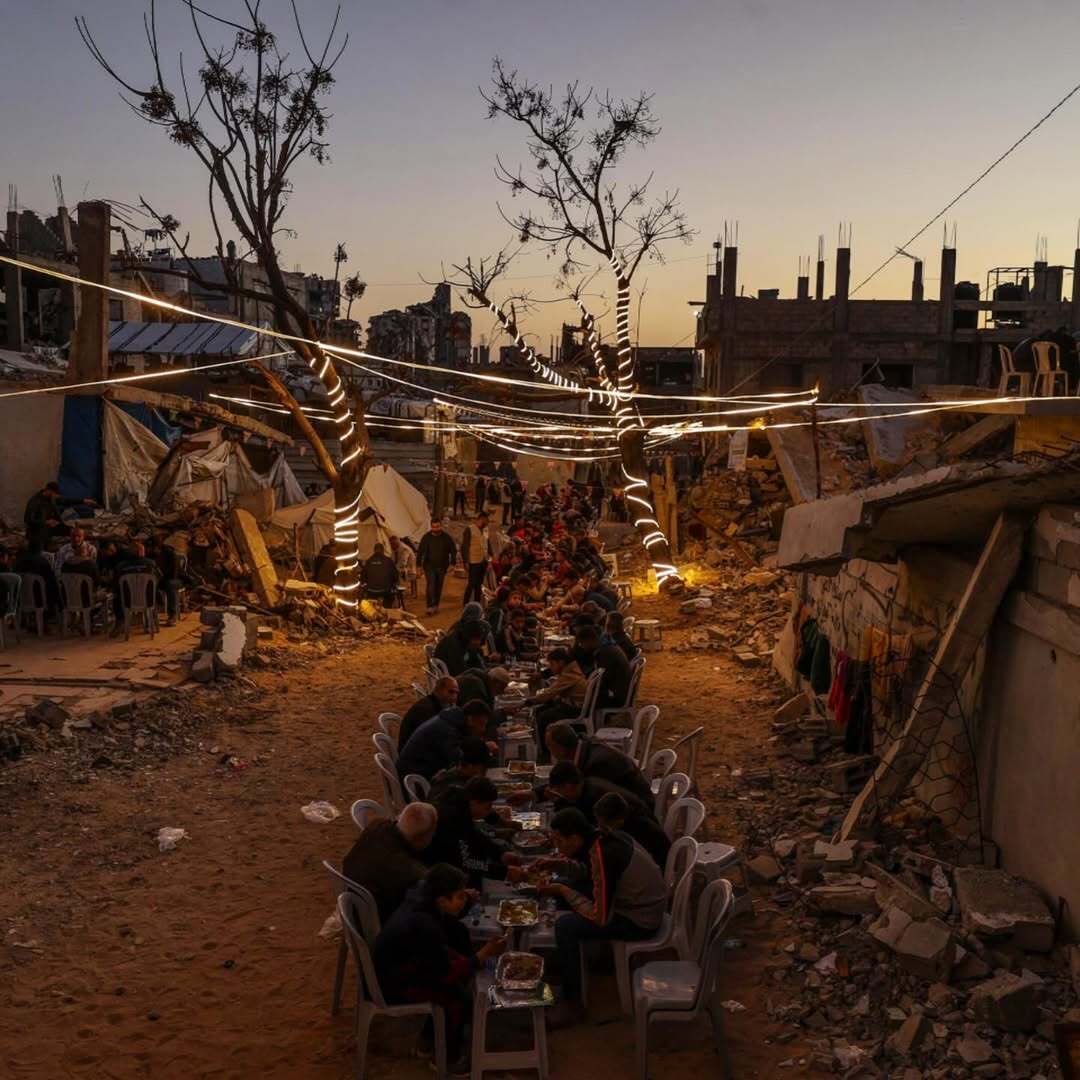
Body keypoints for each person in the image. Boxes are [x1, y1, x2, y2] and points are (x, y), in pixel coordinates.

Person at [373, 863, 506, 1073]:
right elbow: (444, 973)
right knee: (457, 998)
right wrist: (483, 954)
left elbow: (437, 954)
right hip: (393, 985)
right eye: (460, 896)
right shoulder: (424, 924)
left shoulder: (421, 897)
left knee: (458, 935)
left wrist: (469, 959)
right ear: (442, 900)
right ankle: (447, 1059)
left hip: (401, 966)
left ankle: (428, 1041)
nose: (465, 899)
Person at [539, 808, 665, 1028]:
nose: (557, 847)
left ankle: (573, 1004)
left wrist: (562, 891)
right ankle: (574, 964)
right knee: (567, 886)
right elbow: (592, 876)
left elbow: (600, 917)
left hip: (639, 920)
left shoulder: (604, 854)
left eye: (560, 841)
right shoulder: (601, 838)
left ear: (576, 839)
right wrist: (559, 866)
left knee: (565, 926)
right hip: (633, 903)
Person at [551, 768, 671, 869]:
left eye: (603, 827)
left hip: (658, 862)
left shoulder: (628, 835)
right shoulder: (591, 786)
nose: (600, 830)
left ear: (618, 822)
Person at [342, 802, 438, 923]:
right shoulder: (409, 871)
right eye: (432, 833)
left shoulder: (376, 826)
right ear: (422, 837)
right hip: (377, 923)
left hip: (353, 908)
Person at [425, 777, 519, 884]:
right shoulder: (452, 819)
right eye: (488, 807)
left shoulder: (460, 801)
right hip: (438, 870)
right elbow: (466, 862)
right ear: (474, 802)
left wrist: (500, 853)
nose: (489, 812)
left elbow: (473, 834)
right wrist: (504, 872)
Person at [544, 722, 654, 806]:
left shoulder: (596, 765)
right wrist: (535, 793)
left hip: (635, 811)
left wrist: (560, 801)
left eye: (549, 746)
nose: (549, 751)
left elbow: (587, 802)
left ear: (561, 749)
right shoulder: (584, 747)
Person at [396, 699, 493, 781]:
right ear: (471, 719)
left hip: (417, 769)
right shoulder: (449, 730)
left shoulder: (453, 720)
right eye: (481, 724)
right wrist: (483, 750)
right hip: (415, 777)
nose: (483, 729)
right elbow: (457, 762)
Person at [529, 647, 588, 748]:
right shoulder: (570, 669)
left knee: (542, 717)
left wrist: (529, 701)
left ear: (561, 662)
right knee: (542, 708)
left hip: (574, 709)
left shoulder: (570, 675)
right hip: (572, 705)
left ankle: (547, 749)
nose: (551, 668)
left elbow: (549, 693)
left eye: (552, 664)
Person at [23, 482, 95, 548]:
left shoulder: (51, 498)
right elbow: (28, 519)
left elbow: (66, 501)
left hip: (51, 527)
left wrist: (84, 501)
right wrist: (46, 522)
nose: (56, 497)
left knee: (73, 532)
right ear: (49, 491)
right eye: (55, 494)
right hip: (39, 530)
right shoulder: (35, 502)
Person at [575, 624, 631, 708]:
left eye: (582, 643)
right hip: (618, 690)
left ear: (589, 640)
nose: (582, 646)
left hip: (615, 697)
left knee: (575, 698)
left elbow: (600, 681)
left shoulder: (606, 653)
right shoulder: (607, 645)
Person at [399, 676, 459, 750]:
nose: (454, 697)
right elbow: (434, 741)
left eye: (456, 693)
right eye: (451, 692)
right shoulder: (427, 710)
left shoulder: (433, 704)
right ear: (439, 690)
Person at [428, 737, 495, 802]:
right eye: (483, 768)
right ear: (470, 766)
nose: (485, 773)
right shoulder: (457, 790)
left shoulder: (455, 776)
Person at [417, 518, 457, 615]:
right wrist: (418, 566)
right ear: (431, 527)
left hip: (442, 567)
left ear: (441, 526)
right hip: (429, 566)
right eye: (434, 527)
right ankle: (430, 606)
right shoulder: (426, 537)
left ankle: (436, 605)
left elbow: (453, 550)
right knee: (431, 585)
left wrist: (452, 563)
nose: (436, 529)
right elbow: (420, 552)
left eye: (438, 526)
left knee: (438, 586)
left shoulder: (446, 538)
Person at [14, 541, 60, 614]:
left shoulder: (18, 561)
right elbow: (51, 581)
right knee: (55, 588)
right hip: (39, 599)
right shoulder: (42, 561)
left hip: (21, 598)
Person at [461, 514, 491, 606]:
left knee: (479, 583)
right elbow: (465, 546)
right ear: (481, 519)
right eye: (486, 520)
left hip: (483, 560)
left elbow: (488, 543)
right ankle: (466, 602)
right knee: (471, 583)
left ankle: (477, 602)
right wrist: (465, 561)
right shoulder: (469, 529)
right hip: (473, 560)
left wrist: (491, 556)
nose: (487, 522)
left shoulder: (486, 530)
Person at [389, 535, 417, 600]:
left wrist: (392, 568)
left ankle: (401, 591)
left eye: (392, 544)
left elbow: (402, 563)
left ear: (397, 543)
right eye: (391, 544)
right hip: (402, 568)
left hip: (410, 571)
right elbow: (392, 560)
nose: (391, 546)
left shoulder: (404, 549)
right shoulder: (395, 548)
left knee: (395, 572)